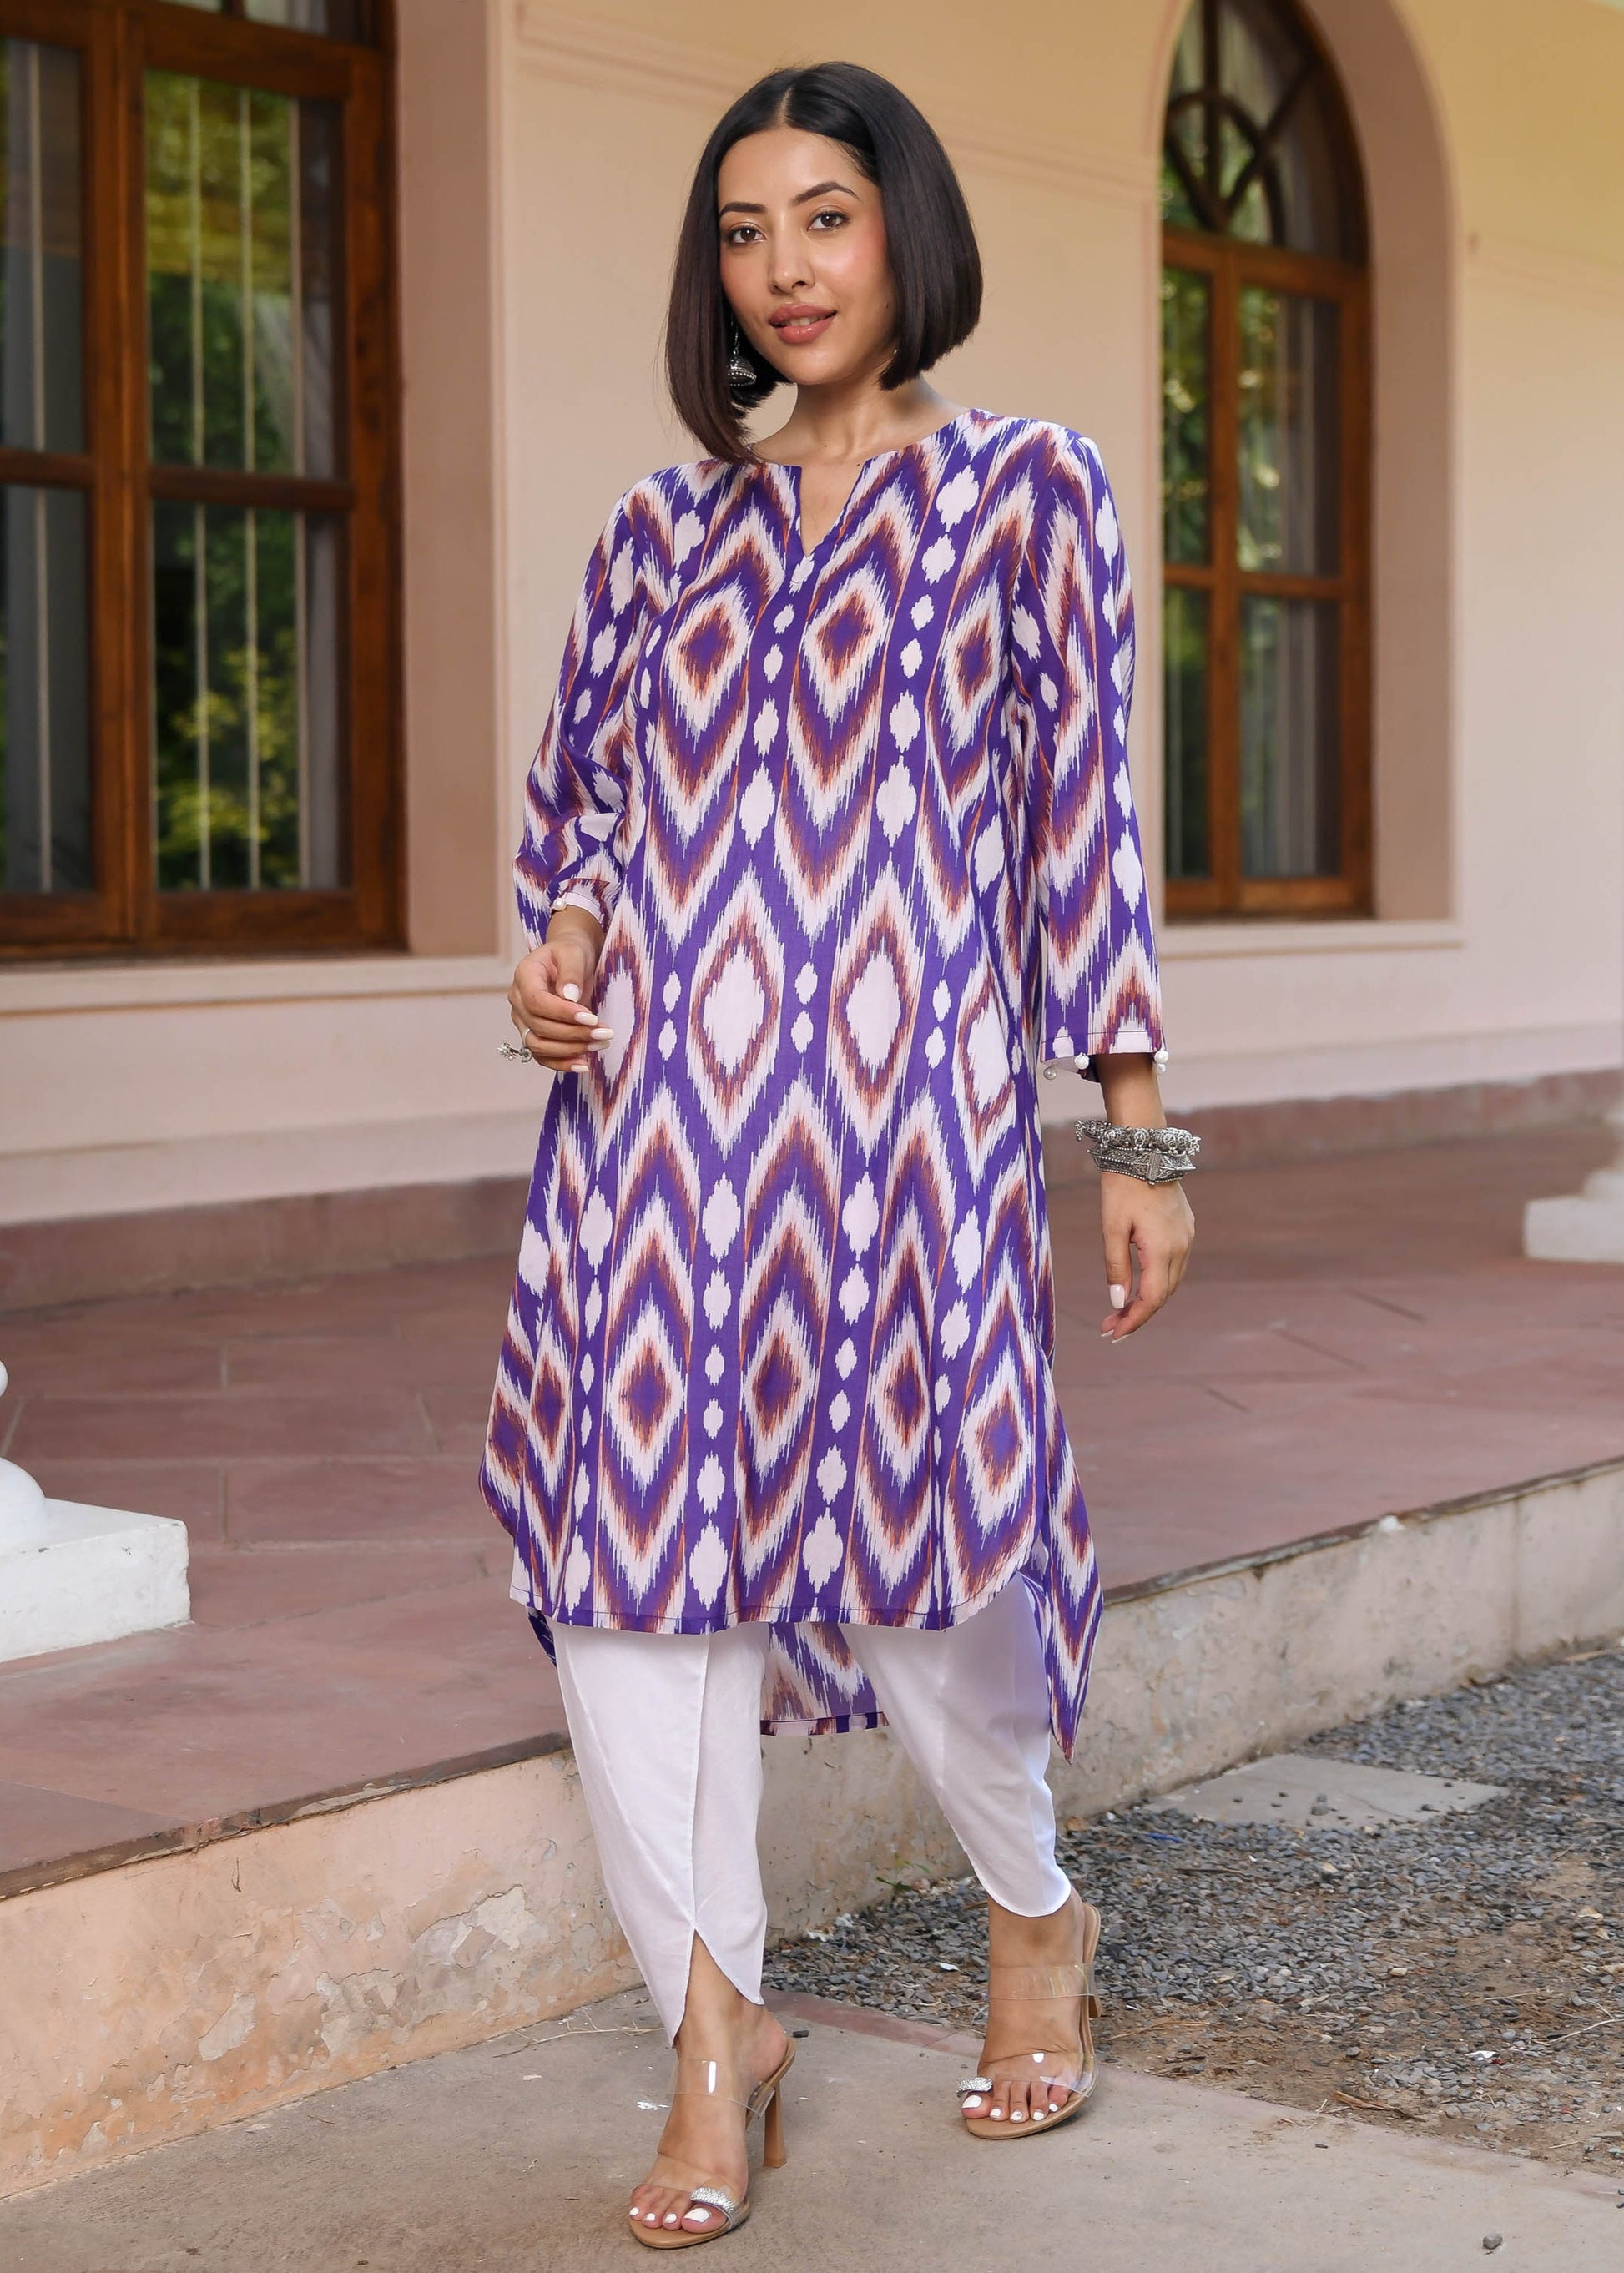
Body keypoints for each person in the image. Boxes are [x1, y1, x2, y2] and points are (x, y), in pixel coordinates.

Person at [482, 58, 1196, 2250]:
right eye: (741, 230)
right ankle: (715, 2029)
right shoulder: (656, 527)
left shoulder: (1029, 493)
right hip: (655, 1142)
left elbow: (1083, 822)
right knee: (631, 1580)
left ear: (905, 232)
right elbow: (587, 805)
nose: (781, 268)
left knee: (930, 1571)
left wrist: (1139, 1132)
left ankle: (1032, 1909)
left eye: (823, 215)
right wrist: (564, 947)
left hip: (907, 1141)